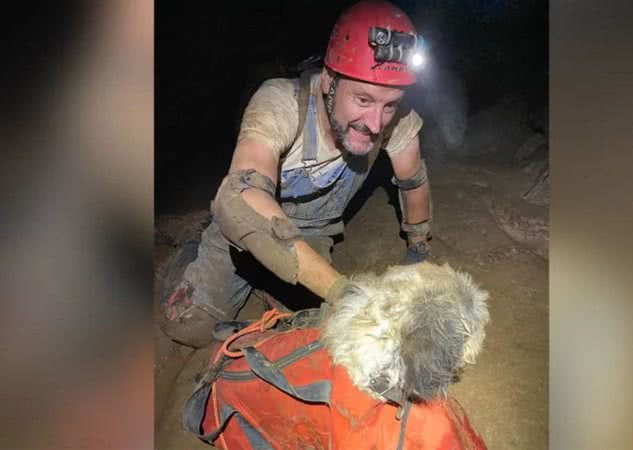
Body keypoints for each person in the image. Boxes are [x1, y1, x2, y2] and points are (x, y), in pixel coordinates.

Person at [161, 0, 433, 348]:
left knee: (322, 337)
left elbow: (413, 182)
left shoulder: (396, 119)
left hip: (311, 237)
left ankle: (267, 284)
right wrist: (341, 290)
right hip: (244, 235)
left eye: (390, 104)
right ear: (329, 81)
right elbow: (241, 197)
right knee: (190, 328)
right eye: (363, 100)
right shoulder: (281, 101)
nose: (376, 123)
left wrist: (418, 250)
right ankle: (191, 246)